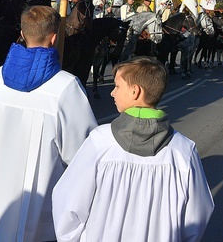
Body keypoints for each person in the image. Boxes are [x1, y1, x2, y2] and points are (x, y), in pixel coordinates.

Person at [0, 5, 98, 241]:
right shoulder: (66, 86)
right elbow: (82, 154)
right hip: (37, 203)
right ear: (55, 37)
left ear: (23, 34)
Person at [52, 57, 214, 241]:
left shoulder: (100, 142)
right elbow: (198, 216)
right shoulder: (183, 151)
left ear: (135, 91)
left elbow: (67, 203)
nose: (112, 93)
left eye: (117, 86)